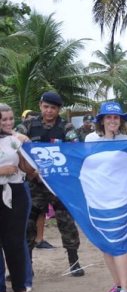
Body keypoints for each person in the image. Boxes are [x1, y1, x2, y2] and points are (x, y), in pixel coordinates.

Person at [20, 91, 85, 277]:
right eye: (46, 107)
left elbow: (75, 151)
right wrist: (32, 172)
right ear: (40, 105)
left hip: (59, 186)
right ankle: (27, 265)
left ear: (59, 109)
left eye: (53, 108)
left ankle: (74, 262)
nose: (49, 111)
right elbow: (16, 149)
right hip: (35, 184)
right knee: (28, 225)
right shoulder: (27, 125)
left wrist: (57, 174)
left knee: (67, 224)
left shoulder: (66, 127)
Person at [84, 101, 127, 292]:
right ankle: (117, 286)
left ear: (121, 120)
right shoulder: (90, 139)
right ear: (101, 120)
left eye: (116, 117)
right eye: (108, 117)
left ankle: (126, 291)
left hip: (121, 200)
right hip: (98, 200)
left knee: (117, 245)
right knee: (105, 246)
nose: (112, 121)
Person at [0, 103, 36, 292]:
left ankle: (20, 288)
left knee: (14, 242)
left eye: (10, 118)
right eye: (3, 119)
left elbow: (27, 168)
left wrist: (25, 150)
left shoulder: (15, 140)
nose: (8, 122)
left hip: (15, 193)